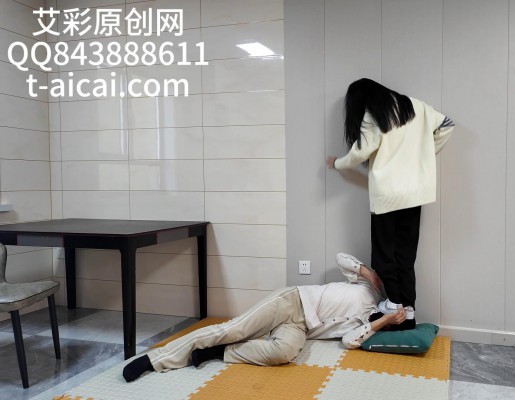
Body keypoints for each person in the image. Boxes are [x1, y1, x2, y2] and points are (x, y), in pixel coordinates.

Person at [122, 253, 405, 382]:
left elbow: (349, 342)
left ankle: (218, 352)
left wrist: (383, 322)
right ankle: (155, 360)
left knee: (283, 353)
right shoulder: (366, 285)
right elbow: (341, 258)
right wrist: (370, 274)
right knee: (232, 329)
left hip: (300, 327)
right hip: (292, 301)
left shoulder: (367, 321)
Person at [327, 78, 455, 330]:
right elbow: (447, 125)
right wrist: (423, 155)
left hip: (388, 195)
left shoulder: (374, 114)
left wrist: (337, 163)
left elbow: (361, 151)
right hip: (415, 194)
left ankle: (394, 305)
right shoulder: (415, 106)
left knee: (384, 254)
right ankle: (408, 312)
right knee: (405, 255)